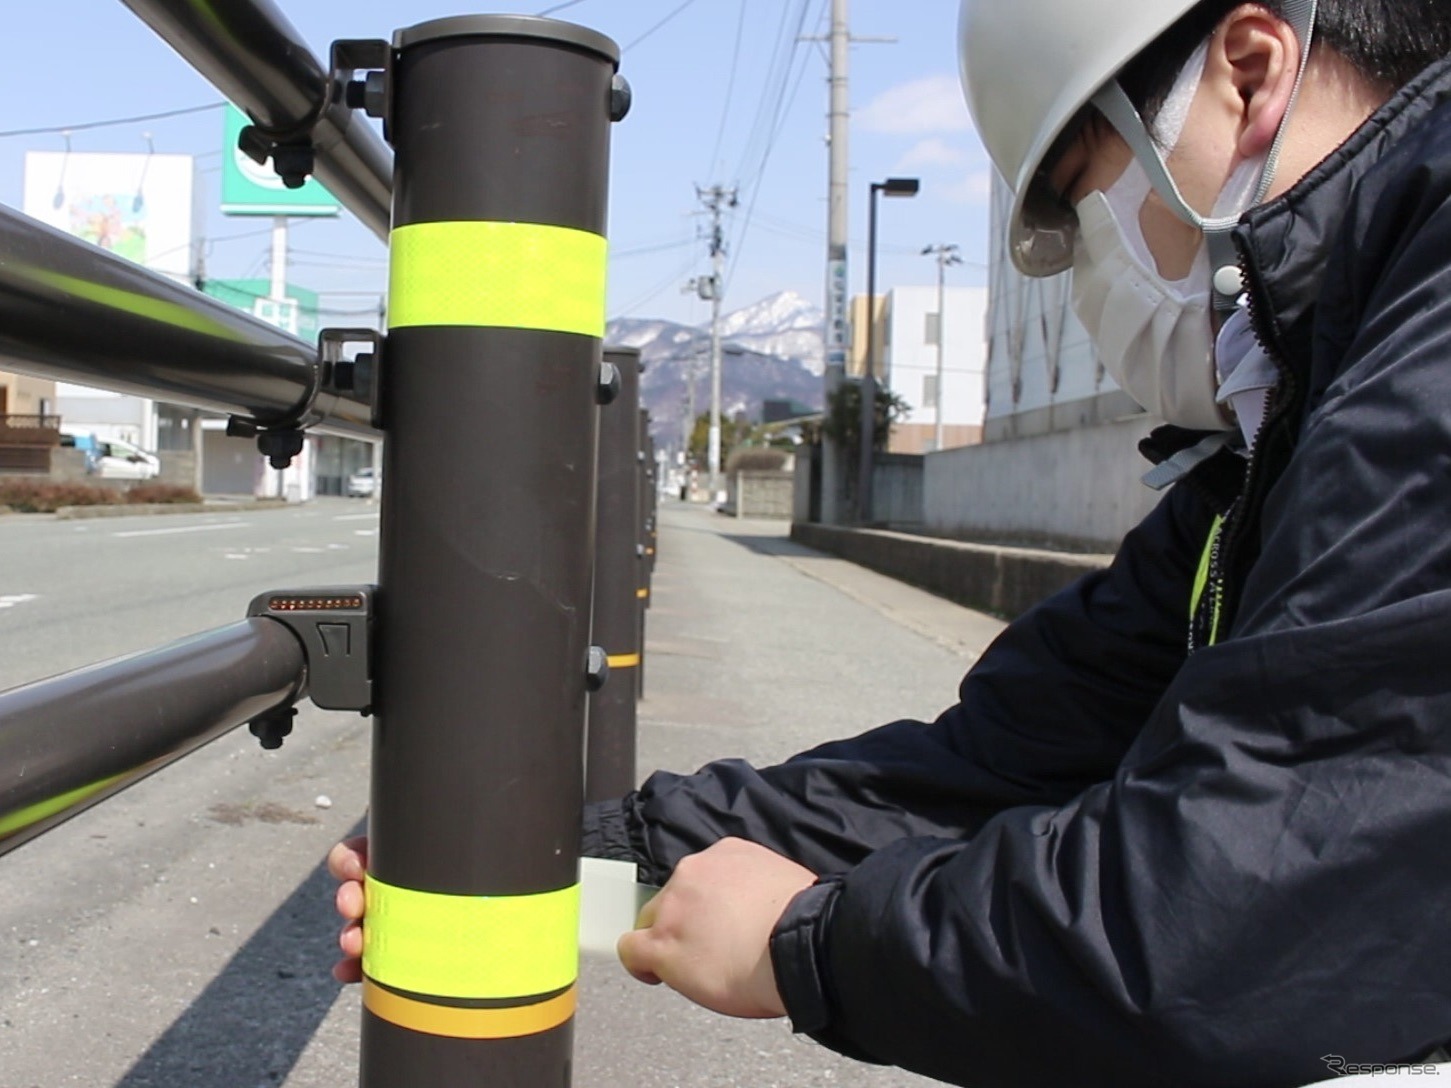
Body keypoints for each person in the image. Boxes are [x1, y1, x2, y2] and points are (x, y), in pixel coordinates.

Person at [331, 1, 1451, 1083]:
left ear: (1247, 72)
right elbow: (1000, 761)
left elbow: (1225, 928)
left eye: (1079, 195)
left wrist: (805, 940)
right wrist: (547, 852)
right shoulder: (1297, 415)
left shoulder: (1409, 368)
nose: (1077, 276)